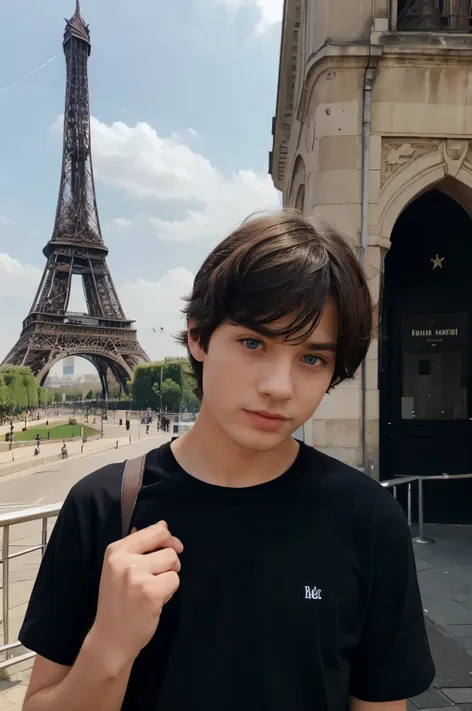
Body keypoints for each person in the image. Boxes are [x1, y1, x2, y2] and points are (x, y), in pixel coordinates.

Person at [19, 211, 434, 711]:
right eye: (253, 343)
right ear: (197, 336)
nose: (278, 388)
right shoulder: (102, 507)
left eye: (312, 358)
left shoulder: (369, 521)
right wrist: (109, 646)